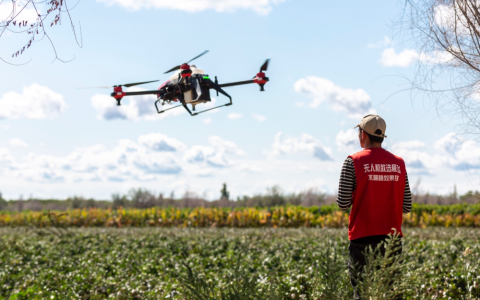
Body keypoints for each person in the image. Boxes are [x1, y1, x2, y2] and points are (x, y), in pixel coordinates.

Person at [336, 114, 412, 300]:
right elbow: (407, 206)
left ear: (363, 134)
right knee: (393, 294)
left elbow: (343, 203)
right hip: (392, 241)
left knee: (362, 294)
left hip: (362, 239)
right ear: (381, 136)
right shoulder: (399, 163)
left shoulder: (352, 161)